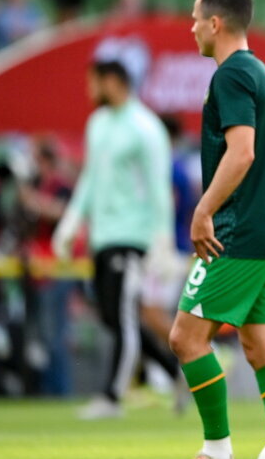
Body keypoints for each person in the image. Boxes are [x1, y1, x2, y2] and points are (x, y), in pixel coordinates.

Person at [155, 0, 265, 459]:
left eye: (195, 18)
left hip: (237, 233)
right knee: (262, 347)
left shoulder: (231, 76)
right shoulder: (260, 71)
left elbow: (242, 152)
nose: (191, 26)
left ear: (216, 23)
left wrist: (203, 209)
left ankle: (217, 454)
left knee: (185, 337)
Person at [52, 59, 175, 420]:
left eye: (94, 82)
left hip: (132, 235)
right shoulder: (98, 123)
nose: (89, 90)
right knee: (111, 316)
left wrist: (162, 239)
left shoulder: (146, 127)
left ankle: (112, 397)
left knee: (121, 317)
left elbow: (158, 187)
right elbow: (90, 179)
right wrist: (71, 222)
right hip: (102, 237)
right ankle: (172, 370)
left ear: (112, 81)